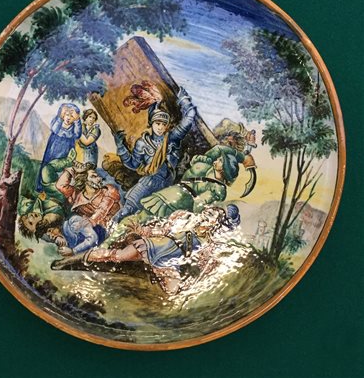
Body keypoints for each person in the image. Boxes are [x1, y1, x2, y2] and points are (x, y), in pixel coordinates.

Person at [52, 205, 241, 294]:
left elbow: (205, 262)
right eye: (209, 212)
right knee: (117, 256)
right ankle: (75, 259)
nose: (207, 215)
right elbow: (164, 229)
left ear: (216, 223)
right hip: (154, 246)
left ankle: (151, 276)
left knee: (172, 291)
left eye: (213, 216)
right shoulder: (187, 220)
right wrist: (142, 231)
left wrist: (209, 269)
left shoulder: (208, 242)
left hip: (169, 263)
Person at [102, 142, 254, 247]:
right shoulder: (212, 177)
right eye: (219, 158)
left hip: (173, 198)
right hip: (176, 201)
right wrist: (242, 157)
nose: (218, 159)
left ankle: (110, 244)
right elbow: (199, 206)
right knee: (143, 224)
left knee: (142, 224)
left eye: (221, 160)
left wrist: (240, 157)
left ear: (224, 168)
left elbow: (199, 204)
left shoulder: (207, 171)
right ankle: (110, 244)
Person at [112, 87, 196, 222]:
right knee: (126, 211)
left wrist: (184, 100)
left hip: (167, 185)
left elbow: (190, 117)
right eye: (157, 123)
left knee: (156, 220)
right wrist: (120, 147)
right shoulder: (142, 143)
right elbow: (133, 164)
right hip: (148, 183)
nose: (160, 127)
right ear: (151, 124)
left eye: (164, 124)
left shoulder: (171, 139)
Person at [55, 162, 121, 256]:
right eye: (94, 176)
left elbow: (102, 210)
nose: (99, 179)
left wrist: (88, 222)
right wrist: (72, 170)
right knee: (68, 224)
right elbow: (60, 186)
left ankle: (74, 250)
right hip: (90, 228)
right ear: (85, 180)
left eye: (98, 176)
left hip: (110, 228)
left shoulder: (107, 192)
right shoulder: (77, 195)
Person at [36, 103, 82, 191]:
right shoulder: (58, 121)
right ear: (62, 114)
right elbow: (54, 129)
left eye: (72, 116)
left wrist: (77, 121)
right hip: (53, 147)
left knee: (64, 167)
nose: (69, 118)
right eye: (67, 115)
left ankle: (60, 188)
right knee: (47, 166)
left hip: (67, 148)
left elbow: (77, 135)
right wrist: (60, 117)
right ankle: (42, 187)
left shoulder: (74, 127)